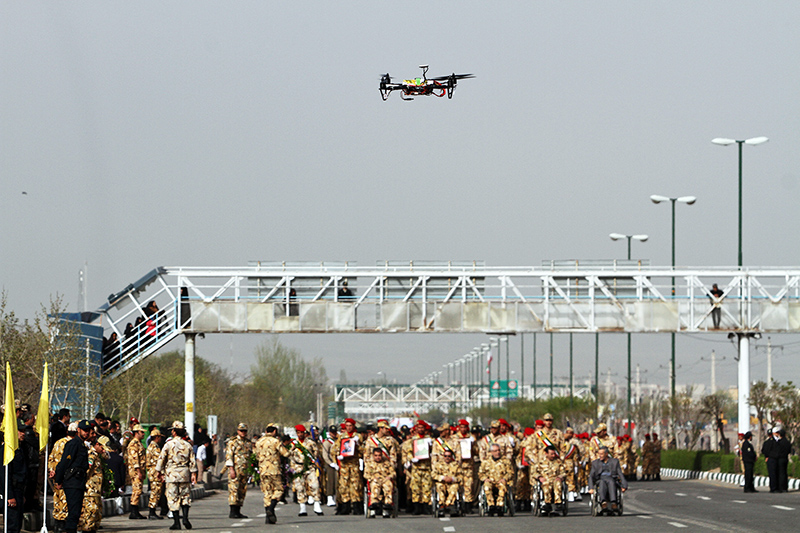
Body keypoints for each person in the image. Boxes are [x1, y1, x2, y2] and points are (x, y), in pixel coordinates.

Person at [156, 421, 197, 530]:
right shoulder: (187, 445)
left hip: (172, 474)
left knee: (173, 498)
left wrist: (158, 472)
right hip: (184, 473)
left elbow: (161, 459)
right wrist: (193, 473)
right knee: (185, 496)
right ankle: (185, 518)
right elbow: (192, 461)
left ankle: (176, 522)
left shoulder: (168, 444)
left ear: (174, 432)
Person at [55, 419, 93, 533]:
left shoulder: (81, 444)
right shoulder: (73, 444)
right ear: (78, 430)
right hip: (72, 482)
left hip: (79, 482)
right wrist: (58, 480)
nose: (86, 433)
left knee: (76, 513)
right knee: (73, 512)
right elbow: (64, 463)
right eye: (84, 430)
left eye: (88, 431)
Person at [255, 423, 290, 524]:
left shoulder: (259, 442)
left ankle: (268, 517)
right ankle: (271, 507)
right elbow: (285, 453)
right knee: (279, 490)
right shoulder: (275, 441)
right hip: (274, 470)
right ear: (274, 431)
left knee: (267, 493)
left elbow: (256, 455)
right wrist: (290, 451)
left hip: (263, 470)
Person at [289, 424, 324, 517]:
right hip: (298, 467)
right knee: (300, 487)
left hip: (309, 467)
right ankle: (302, 507)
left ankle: (317, 504)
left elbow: (316, 452)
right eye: (298, 433)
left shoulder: (310, 442)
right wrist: (293, 467)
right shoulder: (294, 444)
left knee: (315, 485)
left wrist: (313, 461)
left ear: (304, 433)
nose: (300, 434)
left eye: (301, 432)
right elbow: (290, 455)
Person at [49, 421, 78, 533]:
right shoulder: (74, 444)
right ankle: (62, 523)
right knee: (66, 500)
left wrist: (52, 470)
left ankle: (58, 523)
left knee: (58, 499)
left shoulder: (58, 443)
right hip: (68, 477)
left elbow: (51, 458)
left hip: (58, 476)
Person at [78, 436, 110, 533]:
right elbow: (86, 470)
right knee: (90, 515)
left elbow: (108, 456)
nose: (103, 450)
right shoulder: (91, 454)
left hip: (96, 489)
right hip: (90, 490)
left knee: (97, 515)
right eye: (102, 448)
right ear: (97, 444)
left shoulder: (97, 454)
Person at [334, 418, 363, 515]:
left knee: (355, 485)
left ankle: (356, 506)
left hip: (354, 464)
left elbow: (363, 450)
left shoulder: (358, 436)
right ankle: (345, 506)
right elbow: (335, 448)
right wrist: (339, 454)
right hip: (344, 464)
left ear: (354, 426)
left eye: (350, 426)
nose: (349, 428)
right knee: (344, 485)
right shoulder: (342, 436)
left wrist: (357, 443)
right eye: (347, 426)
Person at [225, 422, 254, 518]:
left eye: (244, 431)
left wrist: (251, 470)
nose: (243, 433)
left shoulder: (248, 443)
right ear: (238, 431)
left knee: (242, 490)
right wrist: (231, 469)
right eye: (241, 431)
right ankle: (232, 511)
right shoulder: (232, 442)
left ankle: (238, 510)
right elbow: (229, 456)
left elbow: (250, 456)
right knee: (234, 489)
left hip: (244, 470)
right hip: (235, 469)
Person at [5, 420, 29, 533]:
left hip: (19, 491)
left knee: (18, 523)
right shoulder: (7, 450)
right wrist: (9, 495)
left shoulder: (20, 448)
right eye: (20, 431)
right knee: (12, 525)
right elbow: (5, 475)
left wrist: (22, 493)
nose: (23, 433)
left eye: (24, 430)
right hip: (12, 491)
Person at [589, 446, 627, 514]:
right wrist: (591, 487)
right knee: (602, 482)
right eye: (599, 454)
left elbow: (620, 474)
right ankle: (603, 502)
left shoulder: (614, 462)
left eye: (601, 454)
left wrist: (624, 485)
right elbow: (591, 476)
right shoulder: (595, 463)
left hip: (611, 478)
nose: (600, 456)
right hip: (601, 479)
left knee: (611, 482)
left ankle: (613, 502)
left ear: (606, 454)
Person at [478, 443, 513, 516]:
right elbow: (481, 473)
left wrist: (504, 479)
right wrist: (485, 479)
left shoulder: (505, 461)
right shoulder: (486, 461)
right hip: (490, 481)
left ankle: (499, 506)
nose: (498, 452)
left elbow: (510, 472)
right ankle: (491, 505)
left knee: (502, 486)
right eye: (495, 451)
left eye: (498, 450)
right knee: (486, 486)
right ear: (491, 452)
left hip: (501, 481)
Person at [534, 445, 567, 515]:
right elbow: (534, 473)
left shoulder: (558, 462)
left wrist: (560, 477)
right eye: (551, 454)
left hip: (555, 480)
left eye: (554, 454)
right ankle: (547, 503)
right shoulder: (540, 462)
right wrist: (539, 477)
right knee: (546, 484)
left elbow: (563, 472)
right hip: (545, 480)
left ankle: (558, 503)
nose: (553, 455)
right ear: (546, 454)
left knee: (558, 483)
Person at [364, 448, 396, 518]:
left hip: (384, 479)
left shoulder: (387, 463)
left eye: (379, 455)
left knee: (388, 484)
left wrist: (389, 477)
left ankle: (388, 504)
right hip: (375, 479)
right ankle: (374, 503)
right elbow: (366, 474)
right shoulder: (369, 463)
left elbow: (393, 473)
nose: (378, 457)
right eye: (376, 455)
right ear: (373, 455)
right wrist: (372, 478)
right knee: (375, 484)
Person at [126, 423, 147, 519]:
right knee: (136, 490)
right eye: (141, 432)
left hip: (140, 470)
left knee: (138, 490)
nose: (143, 434)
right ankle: (133, 512)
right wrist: (138, 471)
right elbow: (135, 459)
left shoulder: (139, 443)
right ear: (136, 433)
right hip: (135, 471)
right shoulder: (133, 444)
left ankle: (136, 510)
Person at [432, 449, 461, 517]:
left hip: (452, 483)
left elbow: (460, 476)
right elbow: (433, 475)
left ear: (451, 457)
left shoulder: (456, 465)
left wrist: (453, 479)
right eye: (445, 456)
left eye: (449, 456)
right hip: (442, 482)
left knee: (455, 487)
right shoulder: (438, 465)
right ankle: (441, 505)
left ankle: (450, 505)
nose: (447, 457)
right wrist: (442, 478)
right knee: (439, 486)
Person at [147, 428, 166, 519]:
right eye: (160, 437)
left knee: (156, 491)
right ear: (157, 437)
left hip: (152, 471)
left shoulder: (151, 446)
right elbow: (159, 461)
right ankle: (152, 511)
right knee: (155, 492)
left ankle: (152, 511)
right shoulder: (155, 447)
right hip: (155, 472)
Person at [321, 425, 339, 508]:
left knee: (338, 481)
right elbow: (325, 455)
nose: (334, 434)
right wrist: (331, 463)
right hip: (330, 464)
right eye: (332, 432)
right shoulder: (327, 442)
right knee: (330, 481)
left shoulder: (338, 441)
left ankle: (338, 497)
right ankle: (329, 497)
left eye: (335, 432)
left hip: (339, 463)